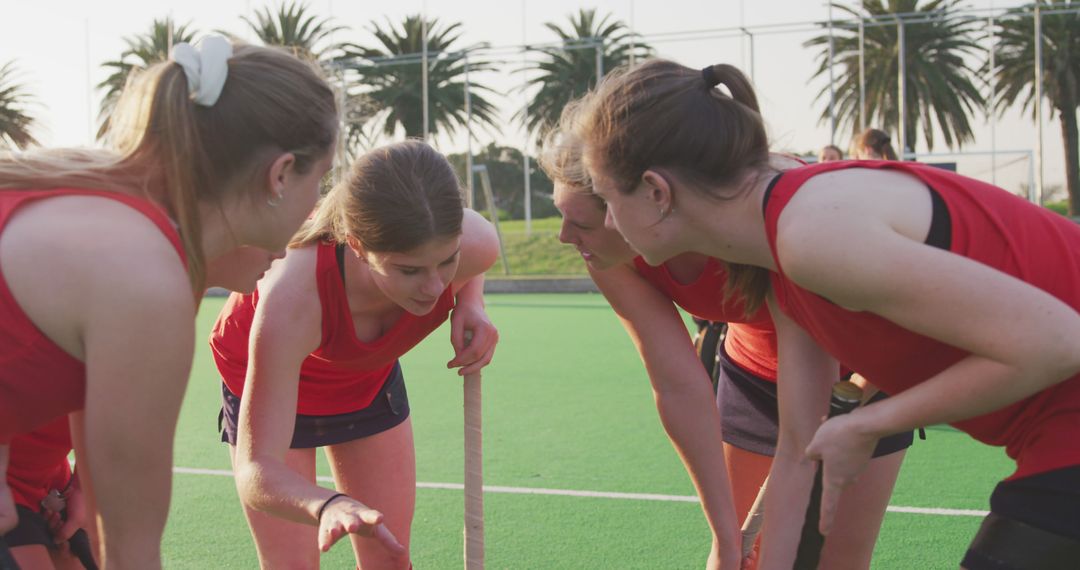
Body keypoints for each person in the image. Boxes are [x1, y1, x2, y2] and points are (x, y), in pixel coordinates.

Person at [574, 58, 1080, 569]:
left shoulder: (811, 236)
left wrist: (868, 424)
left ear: (658, 192)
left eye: (608, 198)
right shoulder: (777, 250)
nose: (609, 219)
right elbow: (798, 444)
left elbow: (1060, 341)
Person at [0, 35, 338, 568]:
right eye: (321, 179)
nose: (319, 204)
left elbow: (107, 473)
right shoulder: (147, 276)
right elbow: (132, 548)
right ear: (280, 174)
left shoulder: (114, 206)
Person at [540, 117, 911, 570]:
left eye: (581, 222)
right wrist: (723, 538)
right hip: (753, 370)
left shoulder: (773, 214)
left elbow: (815, 394)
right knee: (743, 555)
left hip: (857, 366)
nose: (564, 236)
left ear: (645, 202)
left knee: (835, 559)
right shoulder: (605, 252)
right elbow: (677, 385)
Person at [209, 140, 500, 569]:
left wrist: (472, 302)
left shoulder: (477, 244)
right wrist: (326, 505)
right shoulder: (294, 296)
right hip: (271, 377)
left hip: (365, 379)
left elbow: (468, 264)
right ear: (358, 246)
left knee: (390, 560)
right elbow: (258, 472)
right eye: (409, 270)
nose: (435, 288)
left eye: (447, 261)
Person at [3, 246, 285, 570]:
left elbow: (103, 415)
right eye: (274, 197)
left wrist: (78, 487)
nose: (280, 249)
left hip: (45, 481)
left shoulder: (175, 283)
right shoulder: (134, 276)